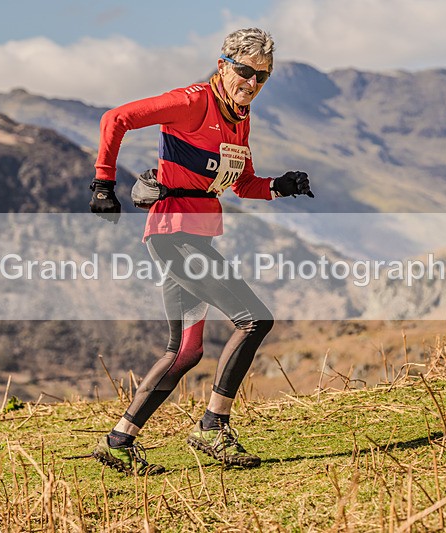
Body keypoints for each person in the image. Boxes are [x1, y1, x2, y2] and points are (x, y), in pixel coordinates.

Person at [89, 27, 313, 475]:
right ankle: (212, 427)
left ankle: (118, 442)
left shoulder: (239, 116)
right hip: (175, 237)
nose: (252, 83)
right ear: (223, 65)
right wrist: (102, 184)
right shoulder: (194, 102)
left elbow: (242, 184)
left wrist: (278, 187)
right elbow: (116, 118)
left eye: (262, 77)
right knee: (255, 319)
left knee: (185, 351)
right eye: (245, 71)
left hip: (196, 236)